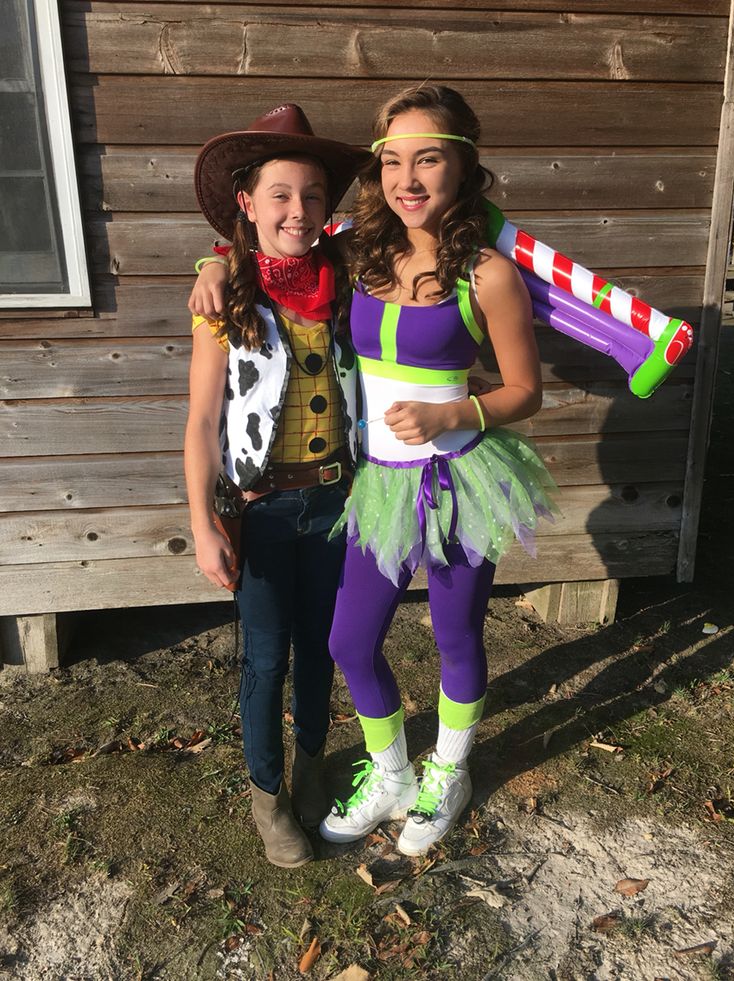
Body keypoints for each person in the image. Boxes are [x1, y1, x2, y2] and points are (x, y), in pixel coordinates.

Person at [315, 84, 558, 856]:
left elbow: (525, 390)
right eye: (393, 161)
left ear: (464, 167)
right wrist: (213, 263)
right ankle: (389, 772)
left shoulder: (486, 272)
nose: (408, 178)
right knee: (351, 641)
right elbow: (268, 235)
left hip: (458, 478)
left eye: (428, 159)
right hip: (381, 478)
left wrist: (455, 413)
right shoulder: (357, 247)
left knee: (455, 632)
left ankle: (448, 771)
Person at [184, 104, 368, 867]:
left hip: (336, 502)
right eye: (281, 195)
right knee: (266, 657)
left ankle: (309, 765)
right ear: (248, 205)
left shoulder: (354, 276)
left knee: (323, 647)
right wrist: (201, 519)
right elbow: (201, 422)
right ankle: (267, 796)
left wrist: (211, 256)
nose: (299, 210)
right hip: (260, 513)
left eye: (315, 195)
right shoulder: (226, 300)